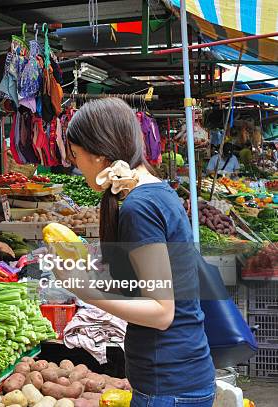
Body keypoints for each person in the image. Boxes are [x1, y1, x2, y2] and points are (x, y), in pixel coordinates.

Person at [55, 98, 215, 407]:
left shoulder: (138, 207)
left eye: (76, 155)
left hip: (169, 385)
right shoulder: (155, 191)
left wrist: (85, 290)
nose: (75, 164)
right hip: (178, 375)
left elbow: (161, 312)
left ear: (99, 154)